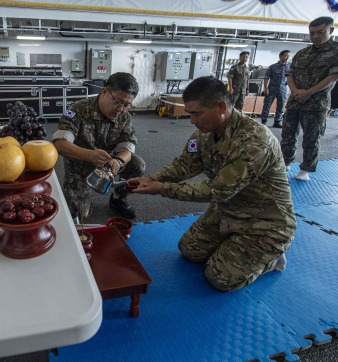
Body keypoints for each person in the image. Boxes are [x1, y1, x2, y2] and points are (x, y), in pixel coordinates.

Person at [128, 77, 296, 292]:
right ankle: (237, 246)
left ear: (221, 107)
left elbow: (219, 189)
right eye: (189, 113)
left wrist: (163, 189)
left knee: (219, 278)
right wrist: (153, 179)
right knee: (189, 250)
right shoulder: (203, 135)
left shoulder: (255, 141)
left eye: (196, 113)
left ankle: (272, 258)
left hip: (264, 222)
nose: (191, 120)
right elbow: (184, 164)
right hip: (227, 211)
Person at [52, 72, 146, 221]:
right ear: (104, 92)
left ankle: (117, 198)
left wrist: (119, 161)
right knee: (81, 215)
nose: (120, 109)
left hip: (108, 164)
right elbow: (60, 144)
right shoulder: (78, 110)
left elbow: (128, 146)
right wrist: (90, 155)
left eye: (127, 105)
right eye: (118, 102)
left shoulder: (124, 117)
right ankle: (78, 203)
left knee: (137, 164)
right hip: (80, 166)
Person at [281, 16, 338, 181]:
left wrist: (309, 92)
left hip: (316, 103)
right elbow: (290, 74)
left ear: (330, 30)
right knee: (288, 134)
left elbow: (334, 76)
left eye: (320, 32)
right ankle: (285, 162)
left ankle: (306, 170)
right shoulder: (303, 52)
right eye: (312, 33)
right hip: (296, 100)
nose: (315, 36)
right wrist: (296, 91)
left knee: (312, 137)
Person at [260, 50, 291, 128]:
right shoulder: (273, 67)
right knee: (267, 105)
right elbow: (266, 78)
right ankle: (264, 120)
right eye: (285, 56)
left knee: (281, 106)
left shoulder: (289, 67)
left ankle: (277, 121)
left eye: (288, 56)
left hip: (283, 89)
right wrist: (266, 88)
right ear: (280, 56)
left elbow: (292, 77)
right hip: (272, 88)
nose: (287, 58)